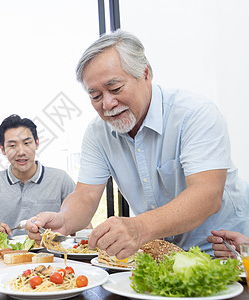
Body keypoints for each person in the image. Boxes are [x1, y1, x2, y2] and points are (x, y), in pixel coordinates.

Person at [26, 29, 249, 258]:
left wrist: (139, 227)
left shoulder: (195, 114)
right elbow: (86, 196)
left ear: (145, 74)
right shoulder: (96, 132)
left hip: (227, 253)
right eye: (95, 96)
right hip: (164, 260)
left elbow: (208, 194)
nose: (108, 104)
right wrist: (64, 220)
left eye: (115, 89)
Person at [0, 114, 76, 237]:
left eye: (27, 143)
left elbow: (81, 224)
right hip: (5, 254)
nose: (21, 152)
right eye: (12, 145)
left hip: (52, 254)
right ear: (2, 149)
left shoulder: (61, 179)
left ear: (37, 143)